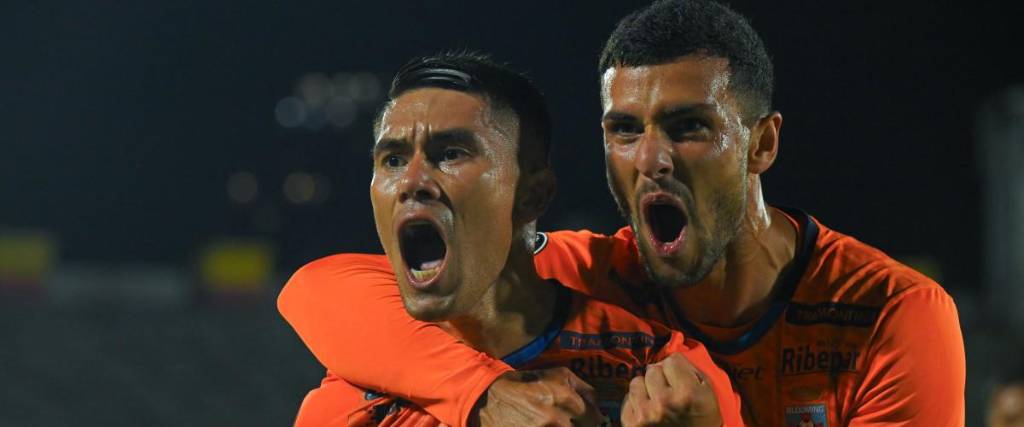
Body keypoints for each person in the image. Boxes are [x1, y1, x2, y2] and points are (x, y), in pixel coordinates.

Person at [280, 0, 966, 425]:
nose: (651, 159)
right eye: (625, 129)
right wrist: (484, 394)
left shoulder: (889, 314)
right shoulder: (586, 271)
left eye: (688, 126)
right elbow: (320, 291)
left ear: (762, 142)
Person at [290, 52, 744, 427]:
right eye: (391, 160)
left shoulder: (665, 375)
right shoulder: (352, 395)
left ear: (533, 195)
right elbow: (310, 287)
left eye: (450, 154)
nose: (412, 181)